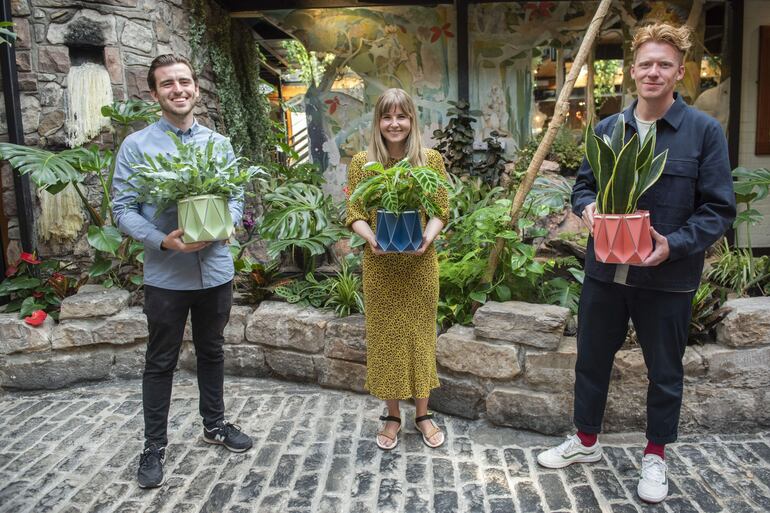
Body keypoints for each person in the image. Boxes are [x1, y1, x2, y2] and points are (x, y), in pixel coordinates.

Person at [537, 23, 735, 504]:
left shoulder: (703, 132)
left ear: (679, 72)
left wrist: (675, 244)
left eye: (664, 65)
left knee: (664, 371)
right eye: (645, 64)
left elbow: (718, 208)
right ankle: (586, 440)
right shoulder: (608, 130)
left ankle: (655, 454)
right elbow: (584, 186)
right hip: (605, 272)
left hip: (667, 277)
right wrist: (586, 207)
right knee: (591, 360)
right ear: (631, 71)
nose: (653, 72)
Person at [113, 54, 252, 489]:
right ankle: (154, 445)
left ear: (194, 87)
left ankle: (215, 424)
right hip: (166, 275)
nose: (178, 90)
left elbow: (235, 196)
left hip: (215, 271)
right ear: (154, 93)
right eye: (167, 84)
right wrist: (163, 240)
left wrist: (226, 223)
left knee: (212, 351)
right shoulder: (136, 146)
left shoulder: (218, 143)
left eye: (184, 81)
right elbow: (122, 209)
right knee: (160, 361)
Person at [346, 88, 449, 450]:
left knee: (420, 338)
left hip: (420, 265)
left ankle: (422, 414)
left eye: (401, 116)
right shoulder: (363, 163)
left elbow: (440, 209)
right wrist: (372, 238)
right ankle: (392, 415)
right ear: (378, 122)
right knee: (386, 340)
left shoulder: (429, 160)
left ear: (411, 120)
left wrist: (426, 239)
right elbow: (354, 212)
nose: (394, 124)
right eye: (387, 116)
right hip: (380, 266)